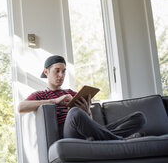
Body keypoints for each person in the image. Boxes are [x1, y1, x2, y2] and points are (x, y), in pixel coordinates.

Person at [18, 55, 146, 140]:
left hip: (91, 131)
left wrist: (88, 113)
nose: (61, 75)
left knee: (139, 117)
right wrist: (54, 101)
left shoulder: (72, 93)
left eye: (63, 71)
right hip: (69, 133)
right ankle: (119, 140)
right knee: (74, 112)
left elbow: (89, 120)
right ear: (46, 72)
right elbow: (20, 107)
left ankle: (106, 139)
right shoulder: (41, 95)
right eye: (57, 71)